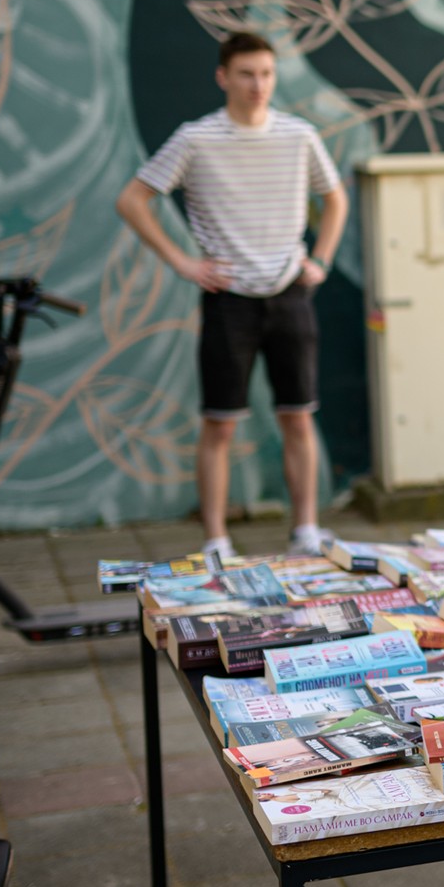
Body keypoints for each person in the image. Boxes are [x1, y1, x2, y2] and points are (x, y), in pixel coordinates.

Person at [116, 31, 346, 560]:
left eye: (266, 73)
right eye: (246, 74)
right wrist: (182, 262)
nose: (257, 84)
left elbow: (335, 198)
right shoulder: (195, 139)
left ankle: (306, 531)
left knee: (298, 416)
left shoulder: (299, 135)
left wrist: (321, 260)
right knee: (219, 424)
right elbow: (132, 199)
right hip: (228, 301)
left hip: (290, 294)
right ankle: (216, 539)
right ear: (223, 77)